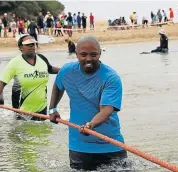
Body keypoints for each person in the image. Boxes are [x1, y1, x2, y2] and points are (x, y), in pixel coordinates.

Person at [49, 35, 127, 171]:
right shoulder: (67, 71)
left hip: (110, 145)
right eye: (83, 55)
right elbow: (58, 85)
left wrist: (91, 125)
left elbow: (106, 110)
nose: (88, 59)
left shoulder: (110, 77)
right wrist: (52, 109)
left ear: (100, 54)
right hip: (79, 147)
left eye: (93, 54)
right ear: (76, 54)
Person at [0, 35, 60, 120]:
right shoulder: (14, 63)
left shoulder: (42, 58)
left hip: (42, 107)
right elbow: (2, 82)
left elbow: (50, 69)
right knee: (23, 131)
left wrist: (65, 70)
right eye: (28, 44)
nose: (31, 46)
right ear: (21, 47)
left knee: (42, 131)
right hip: (22, 108)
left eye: (33, 44)